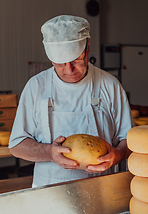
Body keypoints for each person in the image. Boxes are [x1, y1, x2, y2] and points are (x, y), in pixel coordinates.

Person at [9, 15, 134, 188]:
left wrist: (117, 155)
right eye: (60, 63)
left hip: (102, 190)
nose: (69, 70)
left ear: (87, 46)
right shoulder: (36, 86)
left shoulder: (109, 85)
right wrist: (49, 153)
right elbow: (17, 145)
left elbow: (129, 140)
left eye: (76, 60)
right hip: (49, 192)